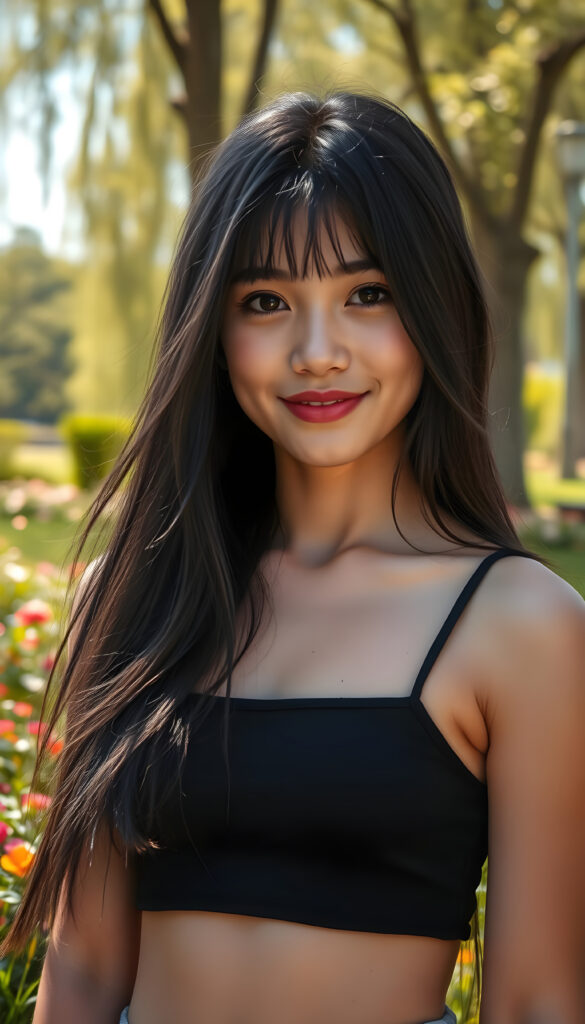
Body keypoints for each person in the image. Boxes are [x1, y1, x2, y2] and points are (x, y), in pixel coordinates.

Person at [3, 90, 585, 1024]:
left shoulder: (521, 625)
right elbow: (82, 975)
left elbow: (536, 1003)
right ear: (212, 327)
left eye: (367, 294)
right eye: (266, 302)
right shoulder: (140, 590)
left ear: (432, 308)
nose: (317, 352)